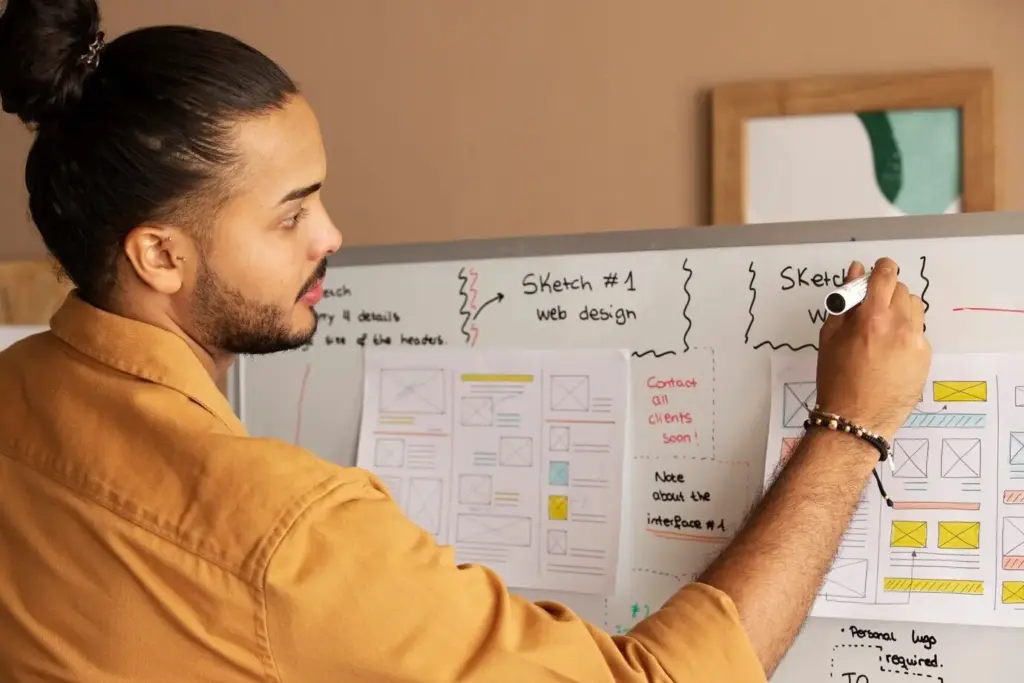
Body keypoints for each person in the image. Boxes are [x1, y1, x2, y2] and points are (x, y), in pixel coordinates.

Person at [0, 1, 932, 681]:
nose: (331, 235)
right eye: (290, 215)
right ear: (159, 255)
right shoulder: (284, 535)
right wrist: (849, 428)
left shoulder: (16, 391)